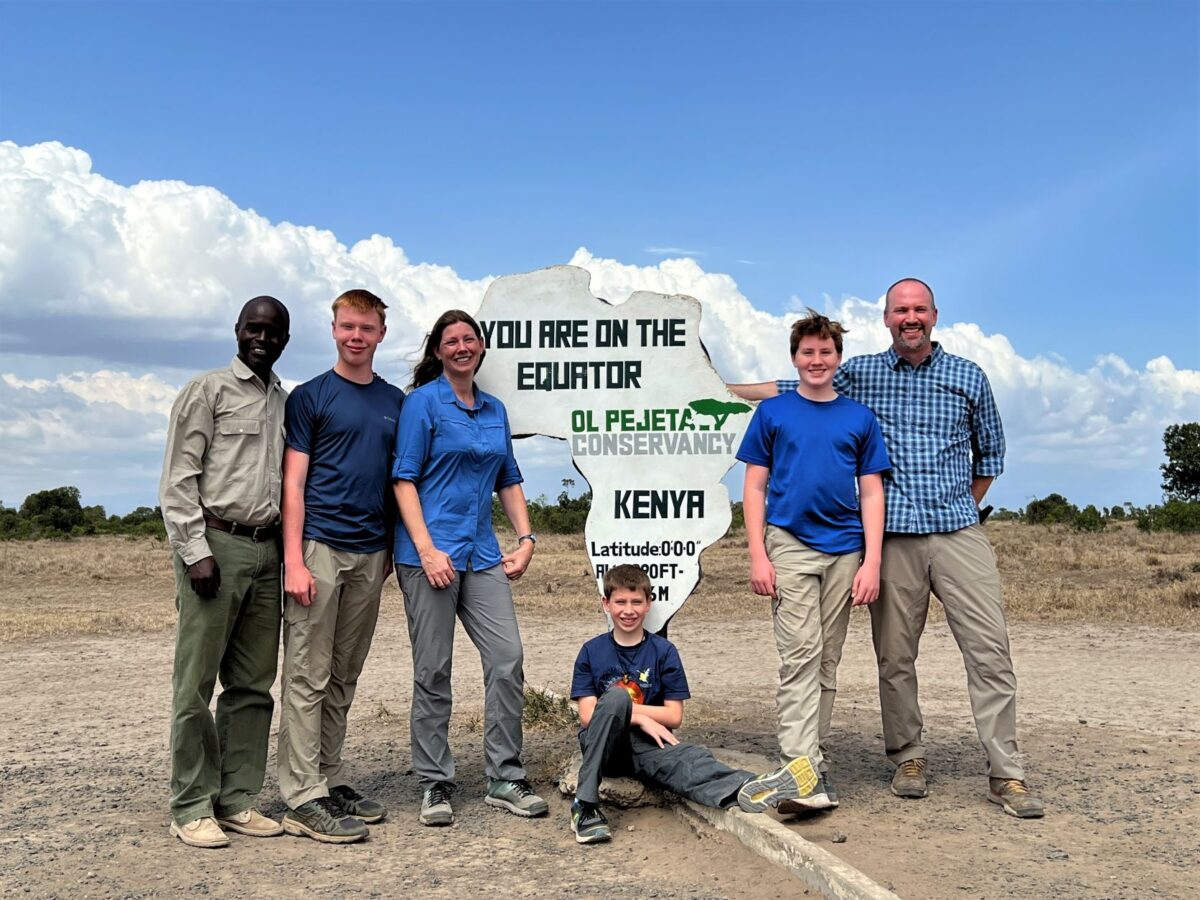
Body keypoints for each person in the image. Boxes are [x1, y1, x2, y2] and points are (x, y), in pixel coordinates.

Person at [729, 278, 1044, 818]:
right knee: (895, 657)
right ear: (886, 319)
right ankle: (908, 759)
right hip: (892, 538)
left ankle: (1006, 773)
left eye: (919, 309)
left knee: (989, 653)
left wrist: (958, 505)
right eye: (901, 310)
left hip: (957, 532)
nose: (910, 317)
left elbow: (990, 456)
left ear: (935, 315)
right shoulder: (863, 374)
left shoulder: (968, 375)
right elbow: (799, 384)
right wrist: (717, 388)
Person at [391, 309, 547, 826]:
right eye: (450, 341)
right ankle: (435, 783)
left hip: (481, 553)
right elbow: (403, 480)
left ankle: (505, 774)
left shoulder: (495, 409)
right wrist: (428, 549)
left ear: (481, 347)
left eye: (469, 339)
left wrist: (525, 538)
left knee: (507, 657)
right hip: (427, 557)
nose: (461, 347)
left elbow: (508, 476)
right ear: (438, 351)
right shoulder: (422, 404)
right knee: (433, 670)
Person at [736, 311, 890, 813]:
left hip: (846, 549)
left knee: (827, 659)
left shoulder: (859, 418)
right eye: (808, 352)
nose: (817, 360)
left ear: (837, 359)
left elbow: (871, 492)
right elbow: (755, 486)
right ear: (795, 358)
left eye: (826, 352)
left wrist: (872, 562)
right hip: (789, 543)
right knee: (800, 655)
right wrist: (759, 554)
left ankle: (810, 762)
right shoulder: (774, 413)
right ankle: (797, 766)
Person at [159, 295, 291, 848]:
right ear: (238, 330)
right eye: (253, 328)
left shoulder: (285, 399)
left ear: (285, 338)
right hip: (216, 544)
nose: (262, 338)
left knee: (254, 685)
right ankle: (190, 804)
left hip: (269, 549)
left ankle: (236, 800)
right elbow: (177, 478)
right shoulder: (207, 390)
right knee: (195, 684)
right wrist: (195, 552)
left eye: (273, 331)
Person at [568, 565, 824, 844]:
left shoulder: (663, 651)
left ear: (648, 604)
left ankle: (749, 786)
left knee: (690, 758)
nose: (628, 610)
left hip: (648, 747)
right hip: (605, 747)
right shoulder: (591, 651)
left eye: (636, 602)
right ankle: (585, 806)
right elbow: (588, 715)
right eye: (620, 602)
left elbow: (674, 715)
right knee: (617, 696)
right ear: (606, 604)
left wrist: (638, 718)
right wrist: (639, 717)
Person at [277, 289, 405, 844]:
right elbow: (293, 482)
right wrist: (293, 560)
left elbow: (401, 483)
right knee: (308, 673)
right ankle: (301, 797)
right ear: (333, 330)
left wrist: (391, 554)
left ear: (381, 333)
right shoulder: (310, 397)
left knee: (344, 673)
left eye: (366, 328)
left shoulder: (395, 400)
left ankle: (328, 778)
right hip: (318, 549)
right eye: (347, 326)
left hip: (371, 552)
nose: (356, 336)